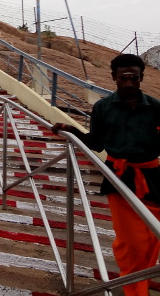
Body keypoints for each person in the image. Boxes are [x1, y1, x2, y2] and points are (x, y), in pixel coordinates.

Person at [52, 53, 160, 296]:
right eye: (124, 78)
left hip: (153, 177)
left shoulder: (155, 107)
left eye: (134, 77)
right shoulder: (103, 108)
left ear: (142, 77)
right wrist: (70, 130)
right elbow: (97, 144)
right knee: (130, 242)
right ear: (114, 78)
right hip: (119, 178)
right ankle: (135, 291)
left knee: (152, 238)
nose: (129, 83)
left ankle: (139, 280)